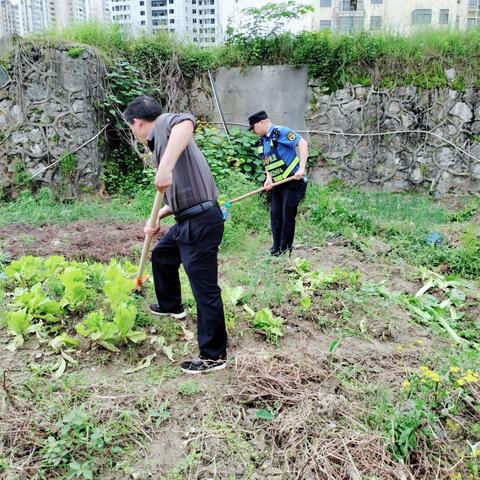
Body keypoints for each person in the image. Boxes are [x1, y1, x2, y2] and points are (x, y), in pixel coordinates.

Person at [123, 95, 227, 374]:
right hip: (188, 218)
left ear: (138, 123)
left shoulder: (165, 125)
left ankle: (213, 356)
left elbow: (186, 122)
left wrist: (165, 167)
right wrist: (156, 217)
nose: (135, 135)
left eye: (132, 129)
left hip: (202, 221)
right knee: (163, 254)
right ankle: (171, 305)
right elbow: (182, 198)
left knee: (204, 290)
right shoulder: (162, 145)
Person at [248, 110, 308, 256]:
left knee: (287, 216)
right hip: (277, 184)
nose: (253, 132)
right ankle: (276, 248)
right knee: (275, 214)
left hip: (292, 182)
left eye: (253, 127)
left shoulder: (281, 132)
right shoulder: (264, 140)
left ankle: (285, 249)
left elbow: (302, 143)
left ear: (262, 122)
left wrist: (301, 168)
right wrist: (269, 178)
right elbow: (268, 159)